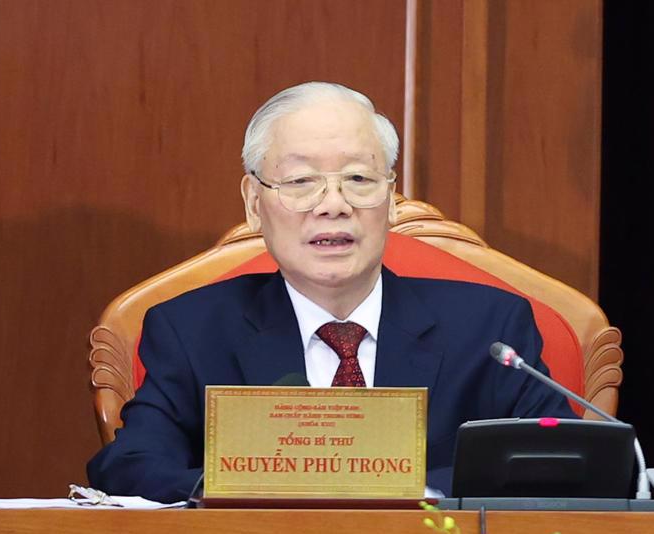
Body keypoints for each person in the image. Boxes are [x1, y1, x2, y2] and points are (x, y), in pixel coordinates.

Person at [87, 81, 576, 503]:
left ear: (390, 200)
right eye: (301, 181)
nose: (334, 205)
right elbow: (131, 465)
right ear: (255, 203)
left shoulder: (490, 327)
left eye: (359, 180)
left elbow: (560, 461)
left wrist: (405, 493)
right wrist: (253, 489)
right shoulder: (193, 329)